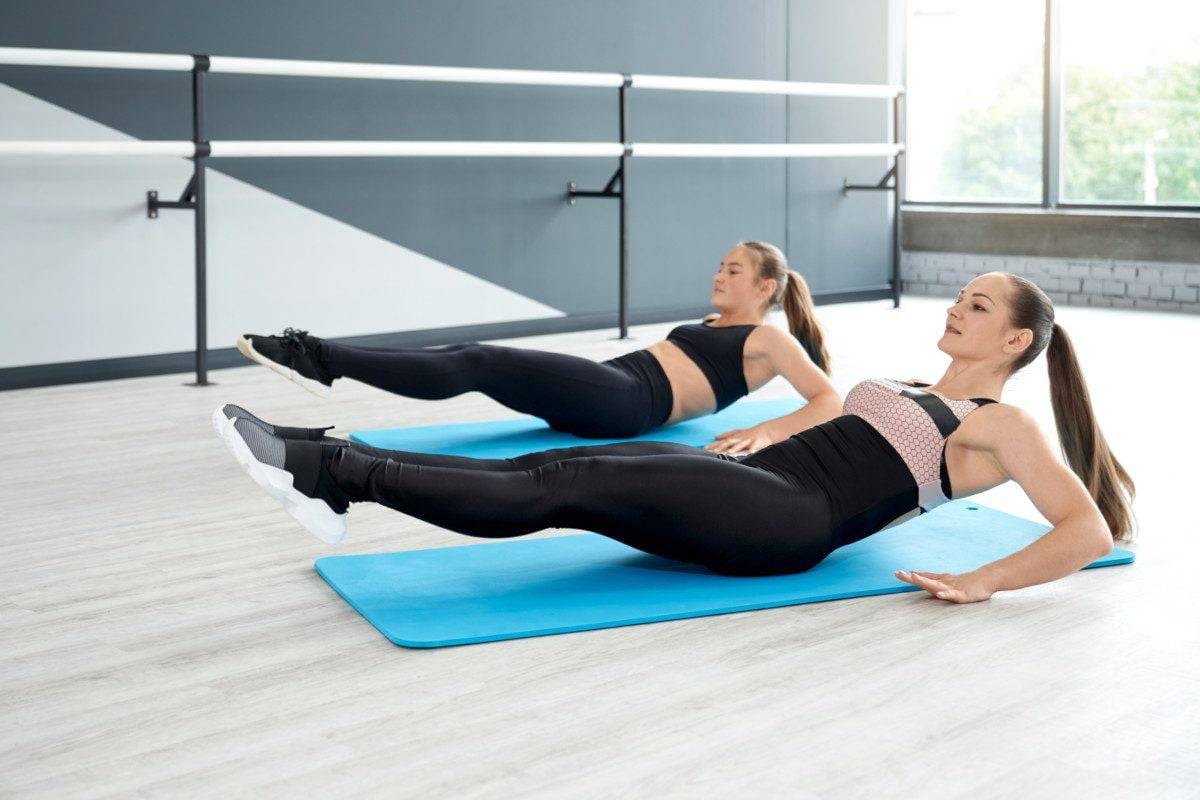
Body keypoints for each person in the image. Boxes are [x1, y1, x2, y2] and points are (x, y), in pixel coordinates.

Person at [215, 271, 1135, 604]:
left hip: (791, 521)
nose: (956, 308)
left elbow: (1085, 530)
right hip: (757, 479)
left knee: (562, 483)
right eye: (961, 296)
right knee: (550, 467)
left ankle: (323, 467)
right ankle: (327, 467)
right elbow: (824, 409)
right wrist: (768, 428)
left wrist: (983, 579)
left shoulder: (998, 422)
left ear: (1015, 341)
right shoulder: (904, 381)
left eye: (975, 306)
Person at [236, 242, 841, 451]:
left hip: (628, 402)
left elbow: (826, 399)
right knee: (475, 358)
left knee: (479, 361)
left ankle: (317, 357)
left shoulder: (768, 337)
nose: (719, 275)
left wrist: (766, 433)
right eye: (719, 265)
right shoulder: (718, 323)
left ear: (765, 286)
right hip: (610, 385)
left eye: (733, 271)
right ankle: (321, 365)